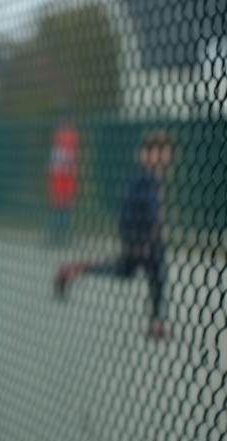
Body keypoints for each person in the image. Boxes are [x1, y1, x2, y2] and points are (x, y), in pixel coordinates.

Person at [54, 129, 171, 339]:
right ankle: (155, 322)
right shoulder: (144, 179)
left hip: (141, 240)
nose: (163, 156)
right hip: (143, 241)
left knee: (125, 271)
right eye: (157, 151)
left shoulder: (148, 178)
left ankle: (76, 268)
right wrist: (137, 239)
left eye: (164, 151)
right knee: (157, 273)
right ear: (145, 153)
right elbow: (140, 212)